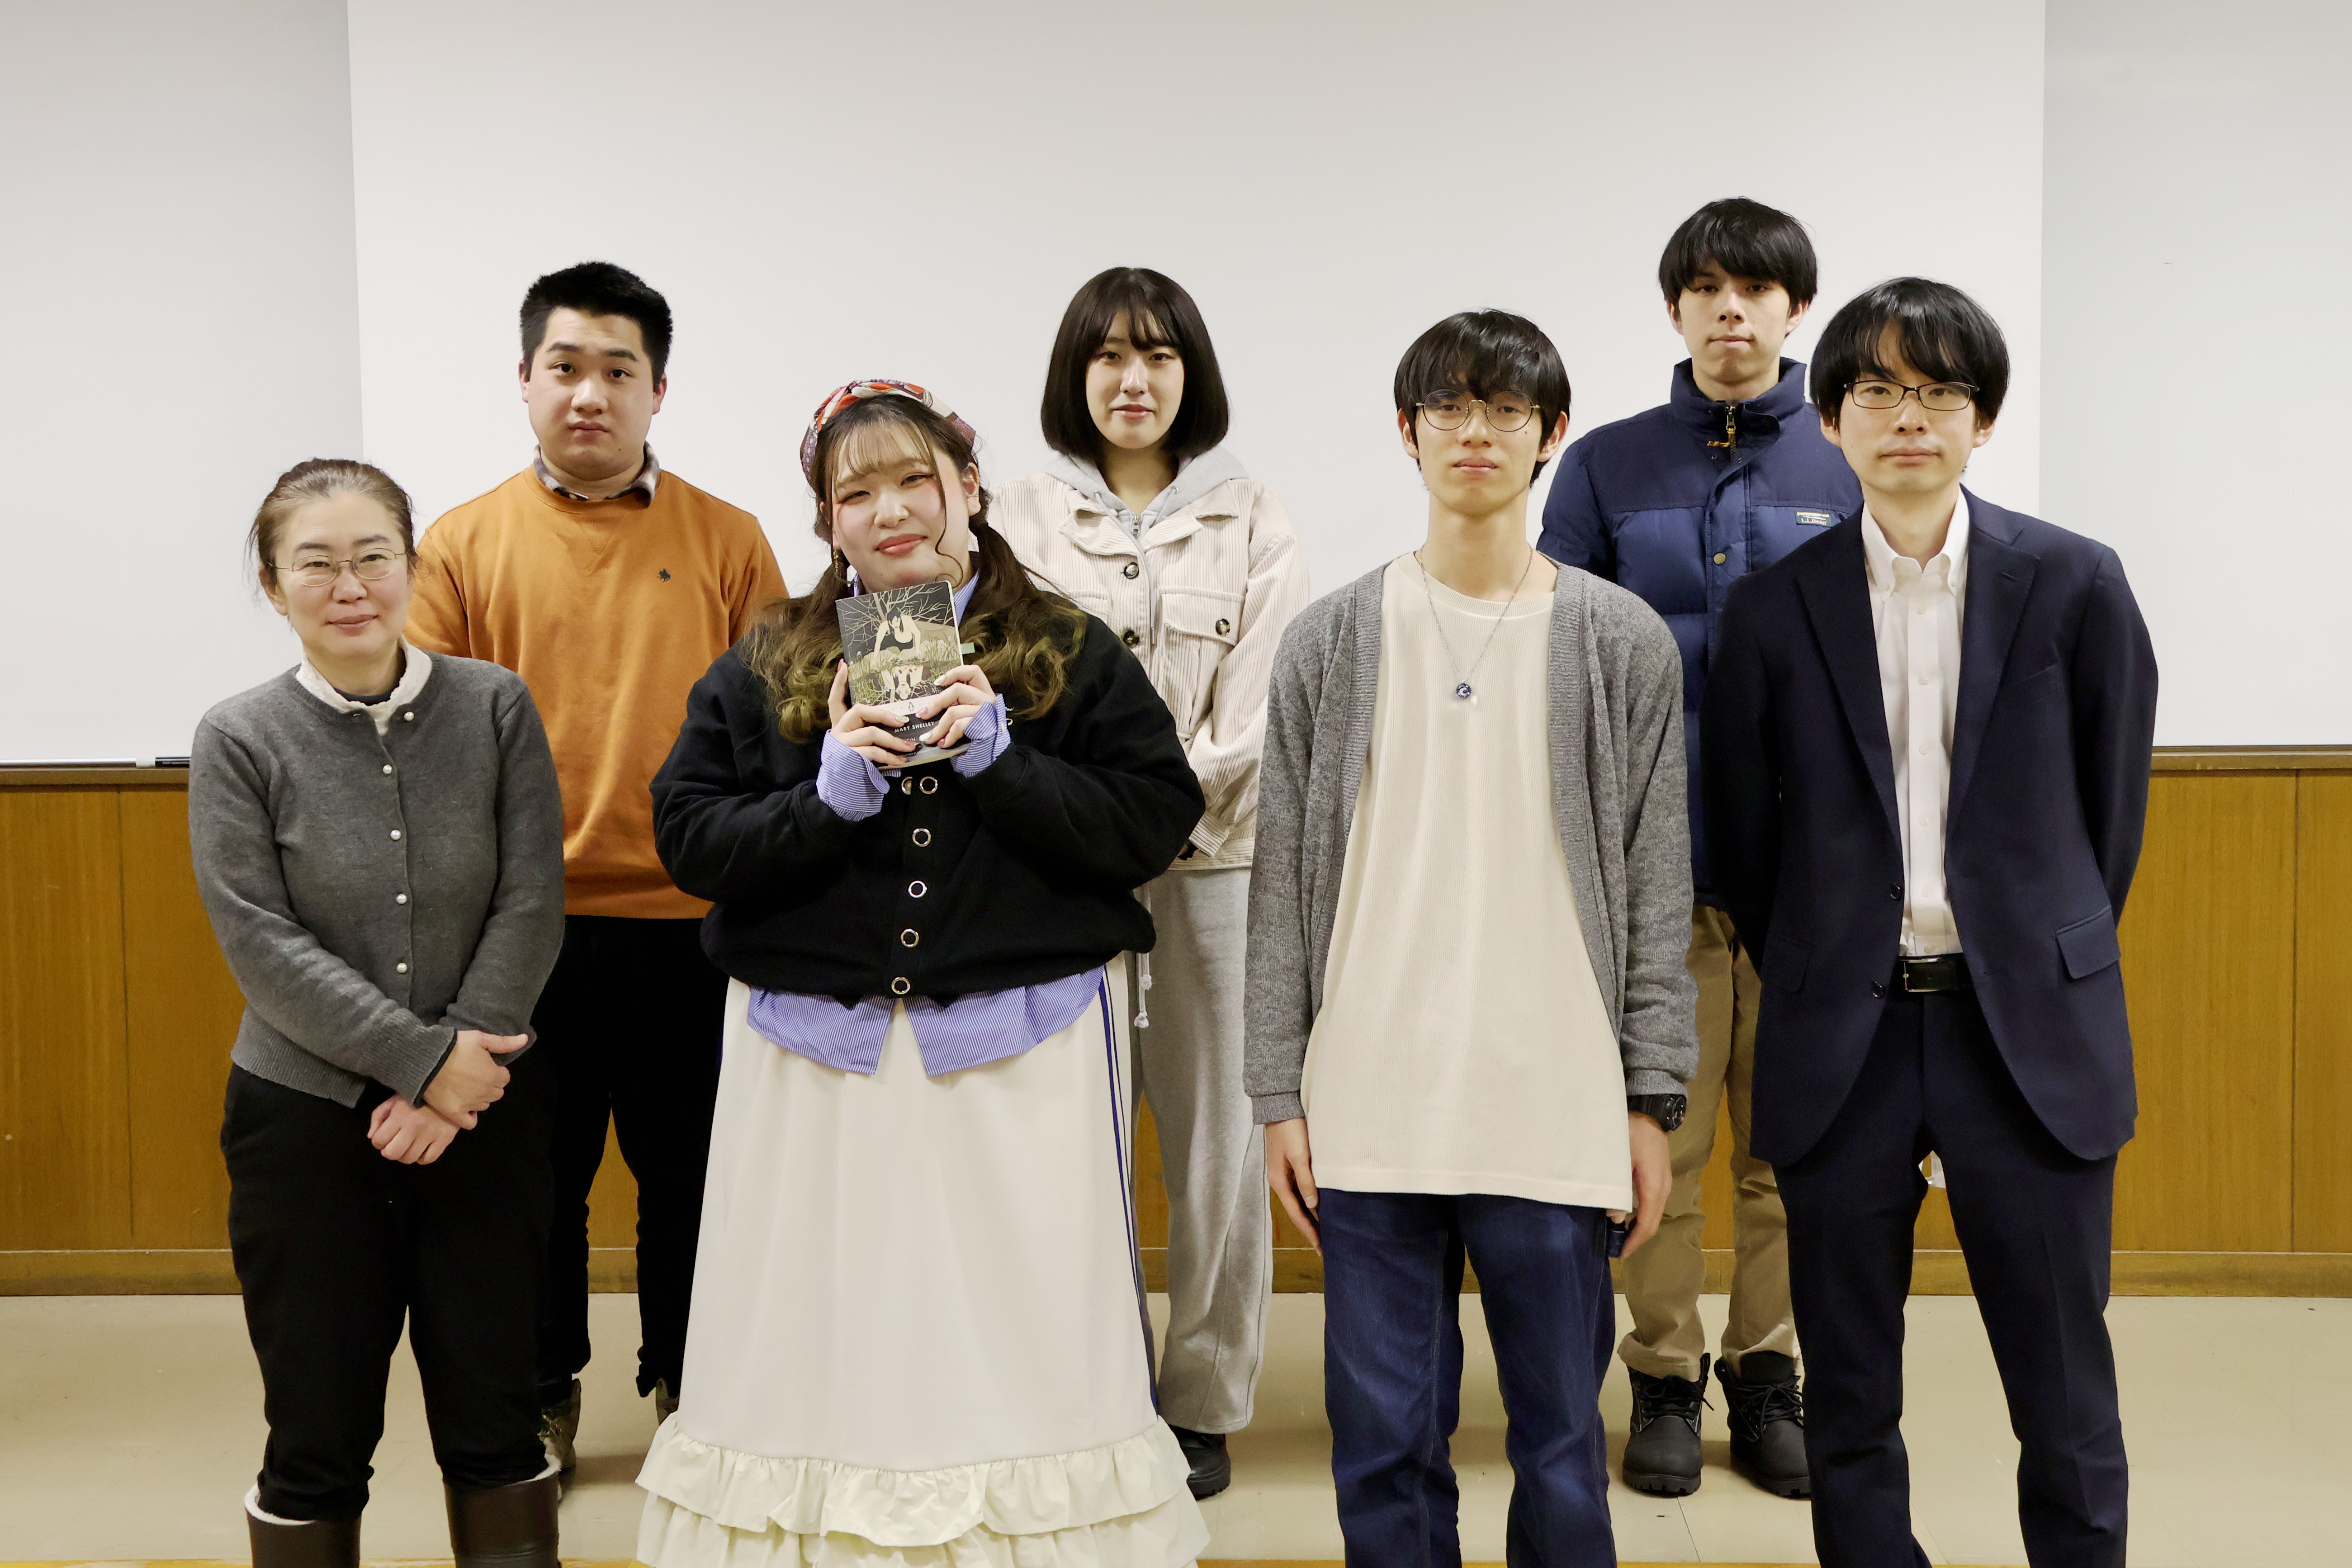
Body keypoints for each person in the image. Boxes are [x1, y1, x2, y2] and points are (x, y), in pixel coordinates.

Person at [635, 381, 1211, 1564]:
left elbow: (1156, 818)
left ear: (970, 488)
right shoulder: (769, 661)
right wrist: (827, 797)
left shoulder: (1064, 648)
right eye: (857, 492)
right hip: (811, 1051)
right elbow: (690, 839)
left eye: (916, 480)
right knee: (817, 1314)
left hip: (1025, 1044)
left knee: (1017, 1321)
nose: (890, 510)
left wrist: (1002, 758)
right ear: (827, 520)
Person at [1702, 278, 2157, 1568]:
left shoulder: (2075, 582)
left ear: (1982, 418)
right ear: (1830, 420)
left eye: (1940, 391)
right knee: (1850, 1392)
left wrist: (2028, 949)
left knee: (2063, 1387)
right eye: (1877, 391)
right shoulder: (1774, 608)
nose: (1909, 417)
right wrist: (1826, 957)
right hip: (1841, 1038)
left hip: (2025, 1032)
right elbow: (1744, 840)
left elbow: (2109, 815)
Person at [1247, 312, 1697, 1566]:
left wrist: (1649, 1097)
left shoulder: (1620, 640)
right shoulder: (1331, 639)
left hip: (1553, 1098)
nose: (1476, 431)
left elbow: (1658, 890)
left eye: (1506, 409)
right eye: (1448, 406)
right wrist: (1278, 1091)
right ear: (1408, 431)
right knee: (1383, 1440)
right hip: (1369, 1098)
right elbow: (1280, 886)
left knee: (1560, 1443)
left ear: (1551, 434)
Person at [404, 261, 790, 1469]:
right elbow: (424, 749)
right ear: (525, 380)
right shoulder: (459, 546)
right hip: (522, 936)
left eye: (618, 370)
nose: (589, 393)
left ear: (657, 390)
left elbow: (782, 729)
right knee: (530, 1184)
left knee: (696, 1178)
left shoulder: (728, 540)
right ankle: (540, 1397)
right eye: (565, 367)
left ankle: (695, 1389)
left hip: (696, 923)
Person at [1537, 196, 1860, 1499]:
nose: (1732, 310)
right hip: (1651, 871)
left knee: (1791, 1148)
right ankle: (1665, 1374)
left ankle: (1770, 1373)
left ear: (1796, 308)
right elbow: (1551, 645)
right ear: (1674, 308)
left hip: (1814, 877)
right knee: (1652, 1142)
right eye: (1707, 289)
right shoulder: (1605, 466)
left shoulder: (1849, 460)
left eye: (1758, 288)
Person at [190, 460, 567, 1567]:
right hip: (303, 1126)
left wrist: (455, 1087)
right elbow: (260, 943)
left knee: (498, 1423)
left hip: (486, 1114)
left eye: (373, 557)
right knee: (316, 1433)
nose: (349, 586)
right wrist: (421, 1063)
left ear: (411, 567)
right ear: (274, 586)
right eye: (316, 563)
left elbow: (532, 898)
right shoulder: (239, 736)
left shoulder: (495, 706)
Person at [993, 266, 1311, 1497]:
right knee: (1067, 1133)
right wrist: (1089, 820)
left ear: (1192, 373)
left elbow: (1262, 710)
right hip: (1059, 871)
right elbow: (1003, 696)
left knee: (1219, 1146)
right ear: (1074, 374)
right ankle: (1092, 1387)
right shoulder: (1012, 518)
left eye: (1159, 356)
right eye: (1108, 356)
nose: (1134, 380)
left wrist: (1155, 812)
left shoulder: (1253, 516)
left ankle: (1202, 1401)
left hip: (1216, 866)